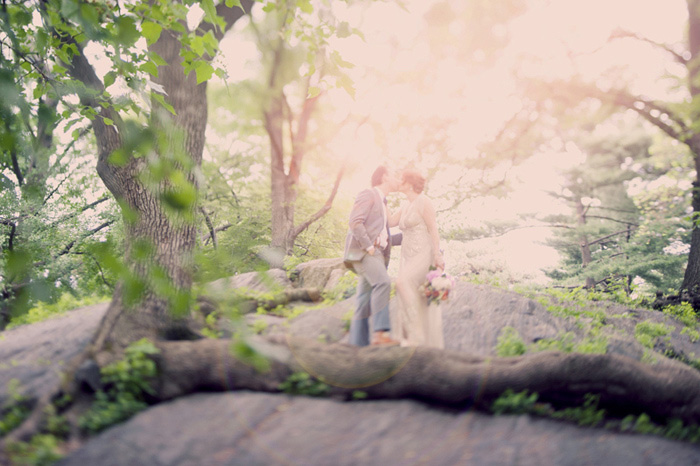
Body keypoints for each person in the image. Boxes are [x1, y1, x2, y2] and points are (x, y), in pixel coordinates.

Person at [343, 166, 401, 346]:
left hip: (377, 253)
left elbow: (384, 231)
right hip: (364, 251)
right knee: (383, 283)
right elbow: (355, 221)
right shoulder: (368, 194)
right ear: (384, 177)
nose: (397, 179)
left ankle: (357, 344)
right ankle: (380, 334)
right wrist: (368, 246)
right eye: (394, 174)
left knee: (363, 300)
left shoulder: (383, 202)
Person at [389, 169, 445, 348]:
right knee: (414, 292)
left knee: (402, 282)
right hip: (408, 255)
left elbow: (433, 229)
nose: (399, 182)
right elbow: (390, 222)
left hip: (423, 252)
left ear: (410, 183)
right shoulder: (406, 205)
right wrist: (381, 196)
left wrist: (437, 254)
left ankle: (416, 334)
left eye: (402, 179)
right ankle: (415, 337)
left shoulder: (424, 201)